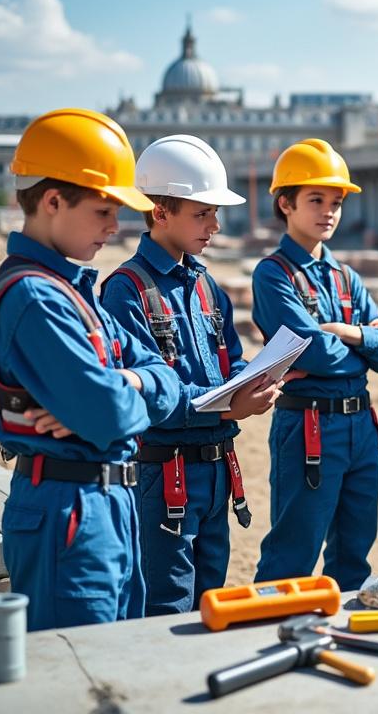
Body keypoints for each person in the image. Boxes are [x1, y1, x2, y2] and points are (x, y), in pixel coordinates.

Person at [0, 108, 180, 629]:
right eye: (102, 211)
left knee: (116, 669)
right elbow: (108, 415)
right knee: (74, 677)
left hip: (109, 504)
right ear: (52, 201)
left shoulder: (73, 292)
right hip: (66, 510)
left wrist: (128, 381)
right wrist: (116, 395)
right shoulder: (34, 298)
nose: (116, 229)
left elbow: (167, 379)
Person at [100, 134, 284, 615]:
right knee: (167, 602)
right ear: (160, 212)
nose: (216, 224)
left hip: (216, 468)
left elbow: (231, 362)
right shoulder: (126, 291)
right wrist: (232, 402)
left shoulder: (205, 285)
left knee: (211, 597)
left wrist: (255, 379)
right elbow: (150, 394)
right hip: (165, 475)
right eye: (202, 213)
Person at [251, 138, 378, 589]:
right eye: (316, 200)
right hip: (309, 428)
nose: (329, 211)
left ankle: (338, 635)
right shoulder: (273, 274)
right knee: (293, 552)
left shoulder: (345, 276)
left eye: (335, 202)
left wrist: (350, 333)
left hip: (360, 428)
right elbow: (313, 352)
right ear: (286, 203)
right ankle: (270, 640)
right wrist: (361, 348)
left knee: (355, 553)